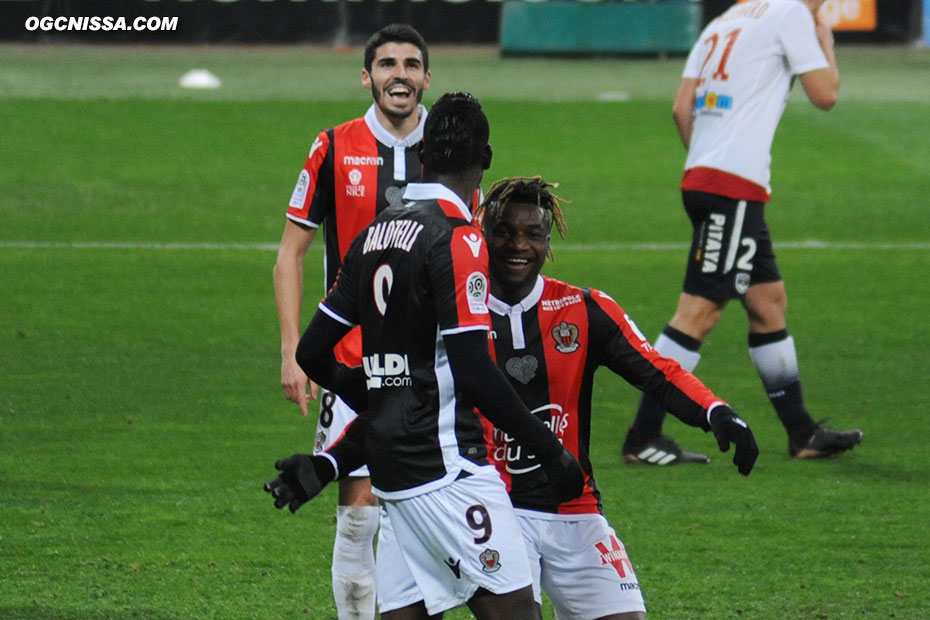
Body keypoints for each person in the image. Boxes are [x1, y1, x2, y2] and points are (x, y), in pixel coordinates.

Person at [266, 92, 585, 620]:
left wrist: (362, 395)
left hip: (393, 479)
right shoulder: (459, 239)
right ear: (485, 160)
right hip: (449, 472)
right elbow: (475, 373)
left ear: (422, 153)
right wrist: (550, 451)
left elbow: (311, 351)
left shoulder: (372, 235)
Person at [474, 176, 758, 619]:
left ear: (549, 241)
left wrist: (715, 412)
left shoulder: (583, 309)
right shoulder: (458, 313)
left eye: (533, 234)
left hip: (575, 508)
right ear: (484, 233)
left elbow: (659, 372)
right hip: (492, 507)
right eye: (505, 231)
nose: (518, 245)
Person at [622, 0, 862, 464]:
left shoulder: (723, 19)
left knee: (767, 302)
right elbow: (825, 94)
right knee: (699, 312)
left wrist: (707, 159)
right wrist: (826, 45)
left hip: (709, 180)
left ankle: (802, 432)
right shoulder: (791, 15)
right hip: (731, 188)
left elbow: (680, 108)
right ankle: (642, 435)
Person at [272, 24, 430, 619]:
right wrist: (293, 349)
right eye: (387, 64)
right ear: (367, 76)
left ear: (426, 78)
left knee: (429, 508)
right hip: (350, 360)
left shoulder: (448, 145)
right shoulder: (333, 146)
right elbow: (290, 254)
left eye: (411, 65)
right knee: (359, 512)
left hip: (431, 360)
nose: (400, 74)